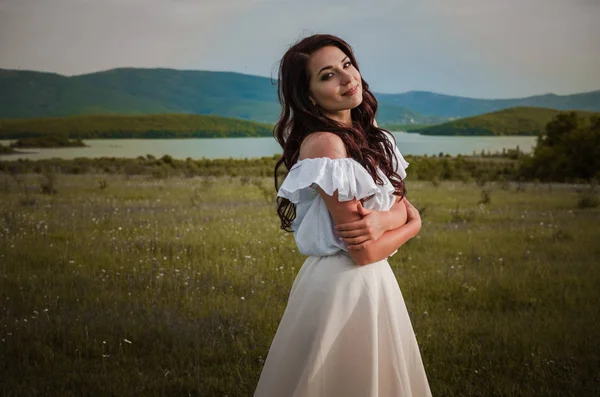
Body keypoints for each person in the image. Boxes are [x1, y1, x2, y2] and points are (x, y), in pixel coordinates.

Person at [254, 34, 432, 397]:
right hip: (343, 287)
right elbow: (364, 251)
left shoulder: (371, 136)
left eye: (347, 65)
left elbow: (398, 204)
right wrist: (413, 225)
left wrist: (383, 221)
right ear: (308, 96)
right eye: (327, 75)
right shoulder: (325, 144)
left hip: (374, 283)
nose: (347, 78)